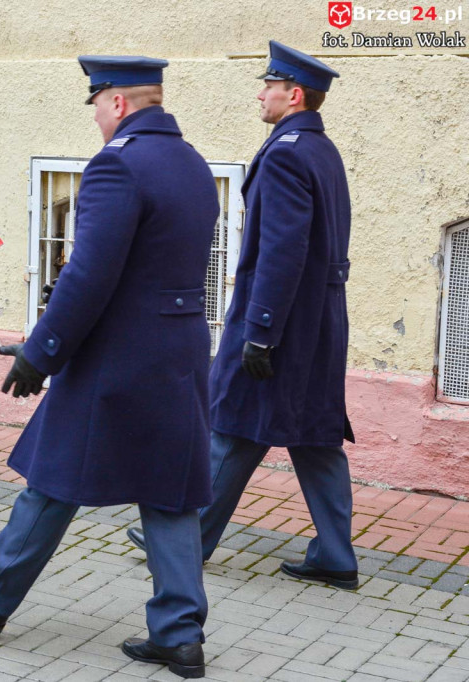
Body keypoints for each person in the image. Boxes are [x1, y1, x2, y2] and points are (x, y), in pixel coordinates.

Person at [0, 56, 219, 680]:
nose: (96, 120)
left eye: (95, 106)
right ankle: (180, 633)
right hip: (183, 348)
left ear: (116, 102)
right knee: (171, 492)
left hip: (120, 355)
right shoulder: (192, 162)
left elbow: (89, 274)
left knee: (55, 472)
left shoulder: (119, 163)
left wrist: (42, 353)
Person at [126, 42, 358, 591]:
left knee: (231, 426)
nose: (261, 93)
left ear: (293, 94)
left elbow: (283, 250)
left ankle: (188, 541)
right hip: (319, 320)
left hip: (280, 323)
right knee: (315, 438)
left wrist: (261, 331)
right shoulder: (319, 149)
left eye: (269, 85)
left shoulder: (285, 153)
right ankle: (335, 554)